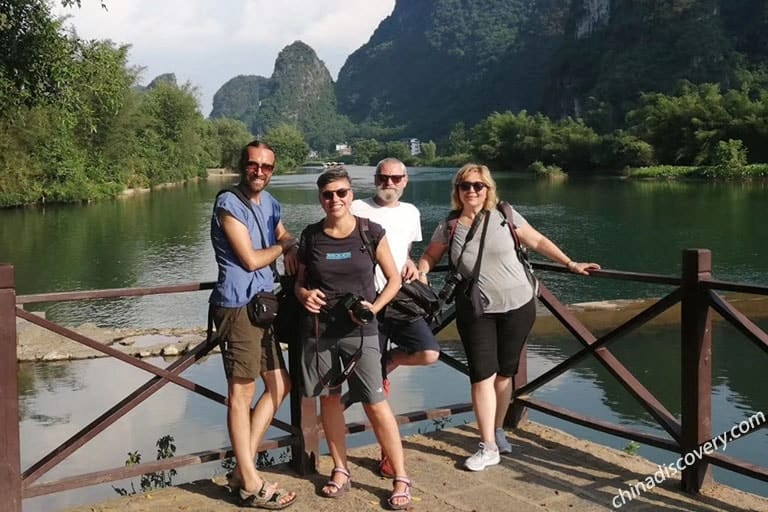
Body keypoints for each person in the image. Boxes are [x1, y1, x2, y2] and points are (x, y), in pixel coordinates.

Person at [416, 163, 600, 472]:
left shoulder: (505, 215)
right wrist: (421, 269)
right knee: (481, 375)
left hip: (519, 304)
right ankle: (487, 445)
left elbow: (537, 241)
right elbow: (431, 255)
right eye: (465, 186)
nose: (472, 191)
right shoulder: (450, 225)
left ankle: (498, 430)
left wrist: (571, 263)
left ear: (488, 189)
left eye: (478, 186)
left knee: (504, 374)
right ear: (457, 191)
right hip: (477, 309)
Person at [294, 168, 413, 510]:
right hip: (319, 331)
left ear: (351, 194)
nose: (335, 200)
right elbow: (299, 283)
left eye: (342, 193)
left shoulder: (369, 231)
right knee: (329, 401)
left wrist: (373, 308)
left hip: (362, 332)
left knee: (375, 402)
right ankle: (341, 469)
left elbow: (393, 279)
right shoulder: (311, 236)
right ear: (320, 198)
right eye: (328, 194)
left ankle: (401, 475)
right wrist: (303, 295)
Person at [209, 140, 298, 509]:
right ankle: (249, 482)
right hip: (238, 306)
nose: (259, 171)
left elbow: (283, 233)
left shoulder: (271, 203)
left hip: (264, 307)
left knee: (280, 384)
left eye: (266, 167)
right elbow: (249, 259)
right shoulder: (228, 203)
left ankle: (240, 472)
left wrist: (289, 242)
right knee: (240, 394)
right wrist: (287, 250)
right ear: (241, 166)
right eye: (253, 165)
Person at [350, 157, 440, 477]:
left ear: (404, 181)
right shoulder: (357, 208)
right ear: (375, 179)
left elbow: (403, 251)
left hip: (400, 301)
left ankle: (390, 361)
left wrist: (414, 264)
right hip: (365, 304)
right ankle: (388, 456)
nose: (389, 183)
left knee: (429, 353)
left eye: (395, 178)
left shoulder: (411, 212)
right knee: (375, 390)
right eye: (383, 178)